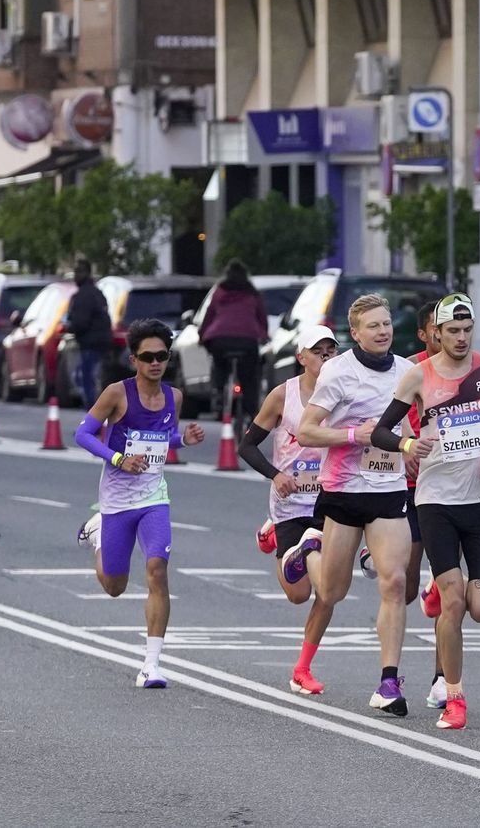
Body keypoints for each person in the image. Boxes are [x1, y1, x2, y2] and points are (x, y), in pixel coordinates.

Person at [370, 293, 480, 730]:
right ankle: (454, 696)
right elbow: (382, 431)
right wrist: (407, 444)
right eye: (451, 331)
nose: (460, 338)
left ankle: (438, 593)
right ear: (435, 333)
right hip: (436, 500)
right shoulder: (418, 377)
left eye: (466, 330)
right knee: (456, 603)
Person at [292, 294, 415, 717]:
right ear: (356, 334)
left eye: (387, 324)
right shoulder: (337, 372)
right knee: (331, 591)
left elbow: (413, 425)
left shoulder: (407, 372)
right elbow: (307, 432)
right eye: (373, 326)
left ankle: (388, 680)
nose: (383, 331)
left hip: (388, 488)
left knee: (394, 582)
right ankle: (310, 549)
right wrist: (353, 437)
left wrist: (415, 446)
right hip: (342, 492)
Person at [73, 319, 205, 688]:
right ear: (134, 359)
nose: (155, 363)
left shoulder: (173, 397)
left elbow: (162, 440)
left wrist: (184, 440)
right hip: (116, 501)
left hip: (153, 497)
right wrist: (117, 459)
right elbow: (82, 434)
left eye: (162, 356)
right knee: (114, 585)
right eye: (147, 357)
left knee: (157, 569)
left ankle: (151, 665)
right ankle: (98, 532)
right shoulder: (117, 393)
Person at [237, 324, 340, 696]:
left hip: (332, 500)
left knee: (327, 591)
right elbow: (247, 446)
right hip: (292, 501)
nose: (326, 357)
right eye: (318, 352)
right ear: (302, 358)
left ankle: (302, 668)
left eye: (331, 350)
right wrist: (276, 474)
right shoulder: (284, 395)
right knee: (298, 594)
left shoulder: (346, 391)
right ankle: (274, 534)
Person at [200, 259, 269, 422]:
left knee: (219, 363)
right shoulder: (252, 293)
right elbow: (262, 317)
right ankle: (251, 410)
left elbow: (209, 315)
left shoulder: (220, 291)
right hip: (248, 340)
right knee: (250, 375)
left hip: (220, 339)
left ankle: (219, 390)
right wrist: (264, 335)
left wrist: (201, 334)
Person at [66, 260, 113, 405]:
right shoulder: (98, 293)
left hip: (89, 344)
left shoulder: (83, 296)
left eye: (78, 272)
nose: (75, 276)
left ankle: (93, 421)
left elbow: (80, 322)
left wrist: (69, 326)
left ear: (86, 273)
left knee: (87, 381)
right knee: (95, 380)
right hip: (102, 343)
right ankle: (96, 419)